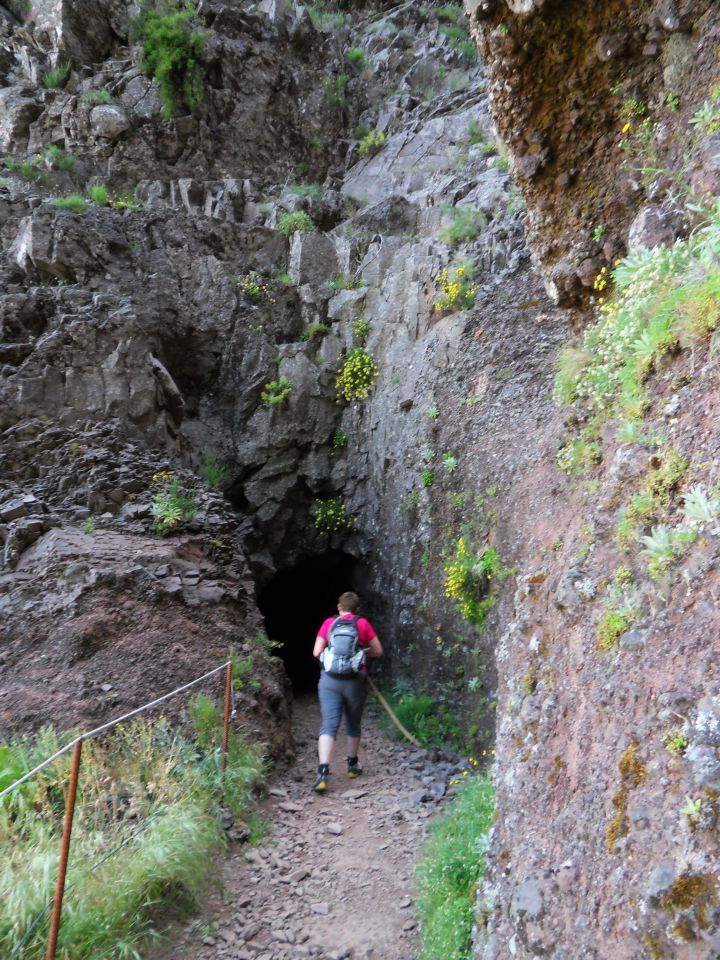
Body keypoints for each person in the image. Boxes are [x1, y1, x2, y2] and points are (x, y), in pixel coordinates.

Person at [312, 591, 383, 794]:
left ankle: (323, 771)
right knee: (353, 723)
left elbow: (316, 652)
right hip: (355, 682)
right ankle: (352, 766)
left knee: (329, 726)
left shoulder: (328, 623)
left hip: (329, 681)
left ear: (339, 607)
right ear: (357, 609)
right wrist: (361, 652)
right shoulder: (362, 624)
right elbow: (378, 651)